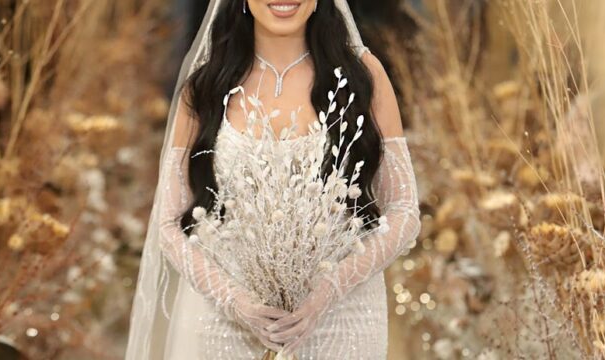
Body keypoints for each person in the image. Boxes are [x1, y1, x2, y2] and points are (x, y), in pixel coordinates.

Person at [125, 0, 421, 359]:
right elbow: (168, 223)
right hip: (224, 320)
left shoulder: (362, 75)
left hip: (343, 315)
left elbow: (404, 210)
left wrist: (330, 289)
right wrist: (234, 301)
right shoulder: (206, 85)